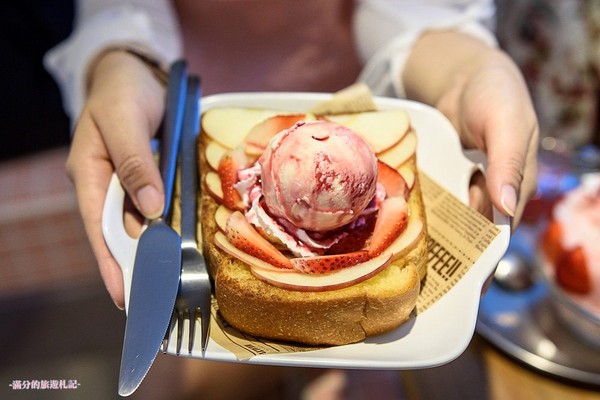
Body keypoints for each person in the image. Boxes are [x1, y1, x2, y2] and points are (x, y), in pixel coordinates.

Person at [45, 0, 538, 398]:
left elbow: (419, 13)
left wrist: (468, 71)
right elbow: (119, 11)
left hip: (357, 92)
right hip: (192, 115)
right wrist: (121, 62)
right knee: (178, 382)